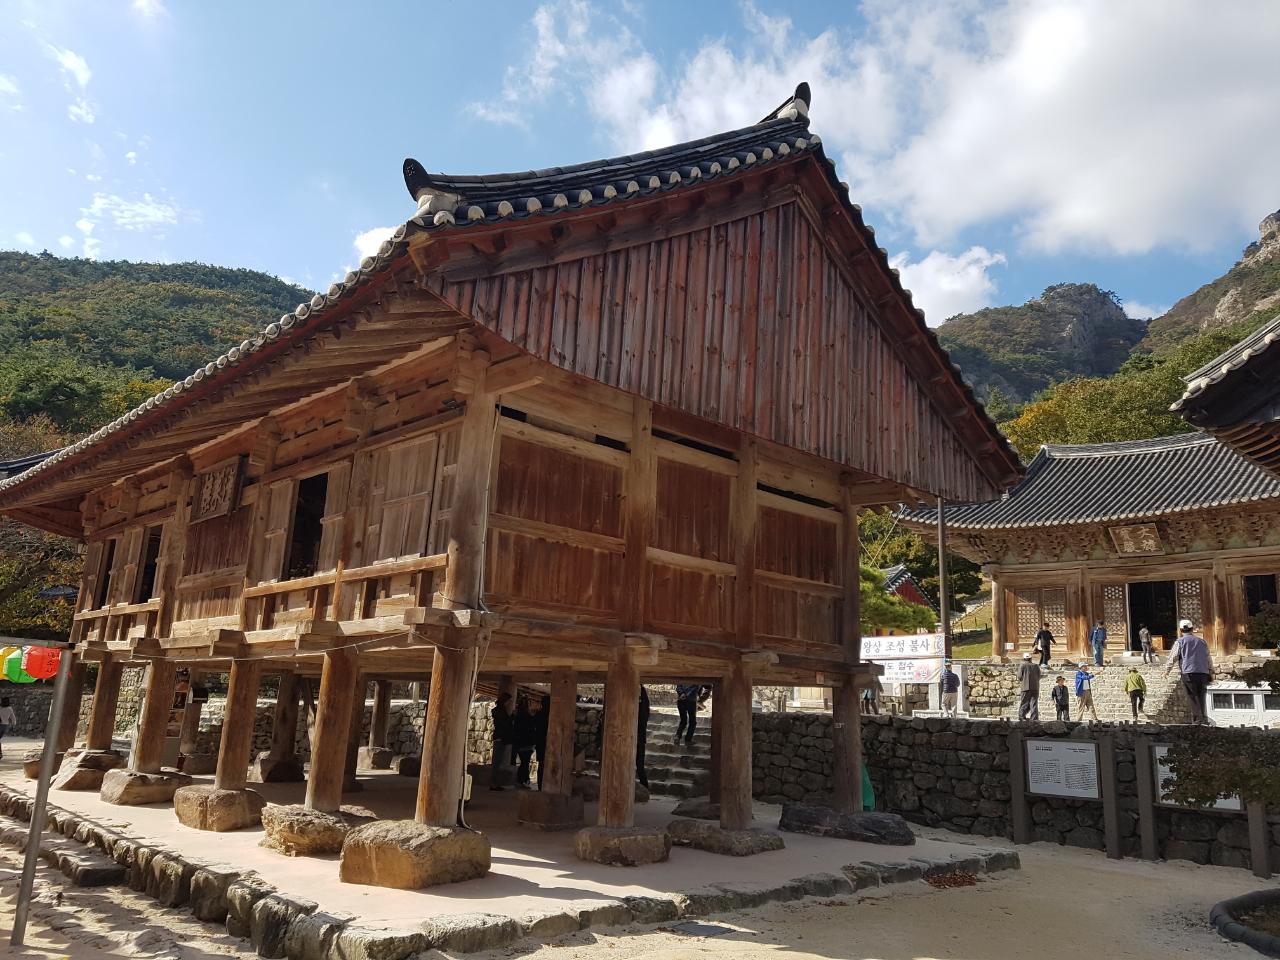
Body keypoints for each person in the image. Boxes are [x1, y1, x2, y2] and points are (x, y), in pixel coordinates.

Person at [1165, 619, 1213, 724]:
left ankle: (1197, 720)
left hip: (1188, 672)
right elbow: (1208, 657)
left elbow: (1173, 657)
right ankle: (1203, 718)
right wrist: (1211, 670)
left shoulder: (1180, 642)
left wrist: (1167, 670)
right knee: (1201, 695)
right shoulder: (1202, 642)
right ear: (1192, 629)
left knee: (1192, 696)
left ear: (1180, 630)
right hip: (1203, 672)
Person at [489, 693, 515, 790]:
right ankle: (493, 784)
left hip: (499, 737)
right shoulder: (500, 711)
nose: (509, 703)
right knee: (497, 762)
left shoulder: (499, 710)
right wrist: (512, 717)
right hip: (500, 738)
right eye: (509, 701)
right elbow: (505, 723)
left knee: (497, 762)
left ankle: (495, 783)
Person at [1017, 652, 1040, 721]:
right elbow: (1039, 676)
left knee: (1024, 702)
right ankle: (1034, 718)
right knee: (1034, 703)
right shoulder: (1036, 666)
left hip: (1025, 687)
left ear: (1024, 658)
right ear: (1031, 658)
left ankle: (1022, 717)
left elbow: (1019, 676)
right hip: (1035, 687)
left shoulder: (1022, 666)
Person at [533, 694, 549, 789]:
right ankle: (544, 785)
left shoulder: (539, 714)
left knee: (542, 765)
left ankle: (540, 785)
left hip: (540, 742)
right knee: (545, 765)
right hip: (546, 743)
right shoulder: (550, 715)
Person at [636, 686, 650, 788]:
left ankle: (644, 788)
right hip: (636, 737)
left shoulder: (643, 704)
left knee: (640, 765)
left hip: (639, 737)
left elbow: (643, 718)